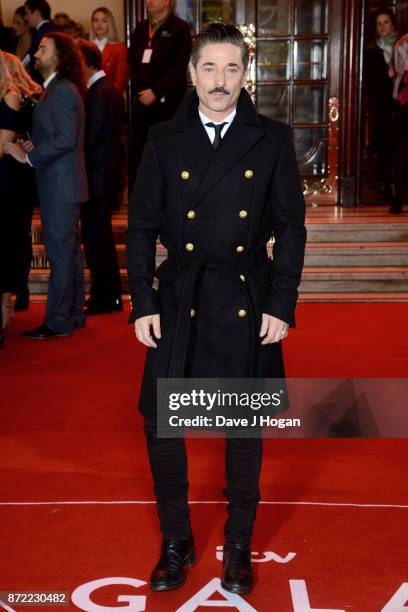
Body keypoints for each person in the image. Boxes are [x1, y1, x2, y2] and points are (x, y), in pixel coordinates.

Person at [126, 23, 306, 594]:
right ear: (192, 74)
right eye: (210, 68)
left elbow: (292, 228)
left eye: (232, 69)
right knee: (161, 427)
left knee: (243, 429)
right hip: (180, 296)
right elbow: (141, 228)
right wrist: (142, 301)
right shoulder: (162, 139)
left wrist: (282, 301)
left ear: (245, 74)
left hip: (245, 298)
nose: (221, 81)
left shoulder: (271, 138)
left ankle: (239, 543)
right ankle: (175, 539)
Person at [5, 32, 88, 339]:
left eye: (43, 49)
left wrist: (30, 157)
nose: (36, 53)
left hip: (60, 185)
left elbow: (66, 139)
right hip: (63, 183)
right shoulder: (58, 89)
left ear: (60, 56)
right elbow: (60, 136)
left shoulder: (62, 90)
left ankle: (58, 321)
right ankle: (74, 313)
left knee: (62, 255)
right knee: (70, 254)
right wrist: (33, 145)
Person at [77, 40, 123, 314]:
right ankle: (107, 295)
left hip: (97, 179)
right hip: (99, 178)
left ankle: (105, 297)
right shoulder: (102, 91)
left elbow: (93, 139)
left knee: (98, 241)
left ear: (86, 62)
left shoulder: (101, 92)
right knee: (97, 240)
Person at [128, 0, 191, 189]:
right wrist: (141, 91)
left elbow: (179, 67)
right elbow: (132, 62)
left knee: (166, 154)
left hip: (167, 104)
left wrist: (156, 92)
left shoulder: (179, 29)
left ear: (167, 2)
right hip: (141, 102)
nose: (149, 1)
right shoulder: (140, 29)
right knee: (140, 155)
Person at [4, 52, 42, 311]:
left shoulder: (13, 97)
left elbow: (6, 142)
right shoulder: (31, 97)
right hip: (20, 173)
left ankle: (12, 297)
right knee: (18, 235)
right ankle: (21, 291)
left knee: (11, 237)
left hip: (12, 173)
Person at [364, 8, 398, 202]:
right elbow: (370, 83)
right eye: (379, 23)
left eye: (386, 22)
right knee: (385, 148)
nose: (383, 26)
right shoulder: (372, 51)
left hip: (403, 105)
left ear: (392, 24)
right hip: (384, 107)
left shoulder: (404, 45)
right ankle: (387, 189)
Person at [0, 51, 21, 347]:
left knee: (3, 247)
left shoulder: (10, 95)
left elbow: (2, 146)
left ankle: (3, 310)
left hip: (3, 182)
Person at [90, 7, 128, 96]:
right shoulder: (85, 47)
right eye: (96, 20)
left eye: (104, 21)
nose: (99, 24)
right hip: (88, 99)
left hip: (110, 99)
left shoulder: (119, 49)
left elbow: (120, 82)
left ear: (110, 24)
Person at [23, 0, 54, 78]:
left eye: (27, 13)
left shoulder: (42, 31)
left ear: (36, 13)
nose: (25, 17)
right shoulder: (48, 28)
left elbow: (31, 55)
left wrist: (19, 66)